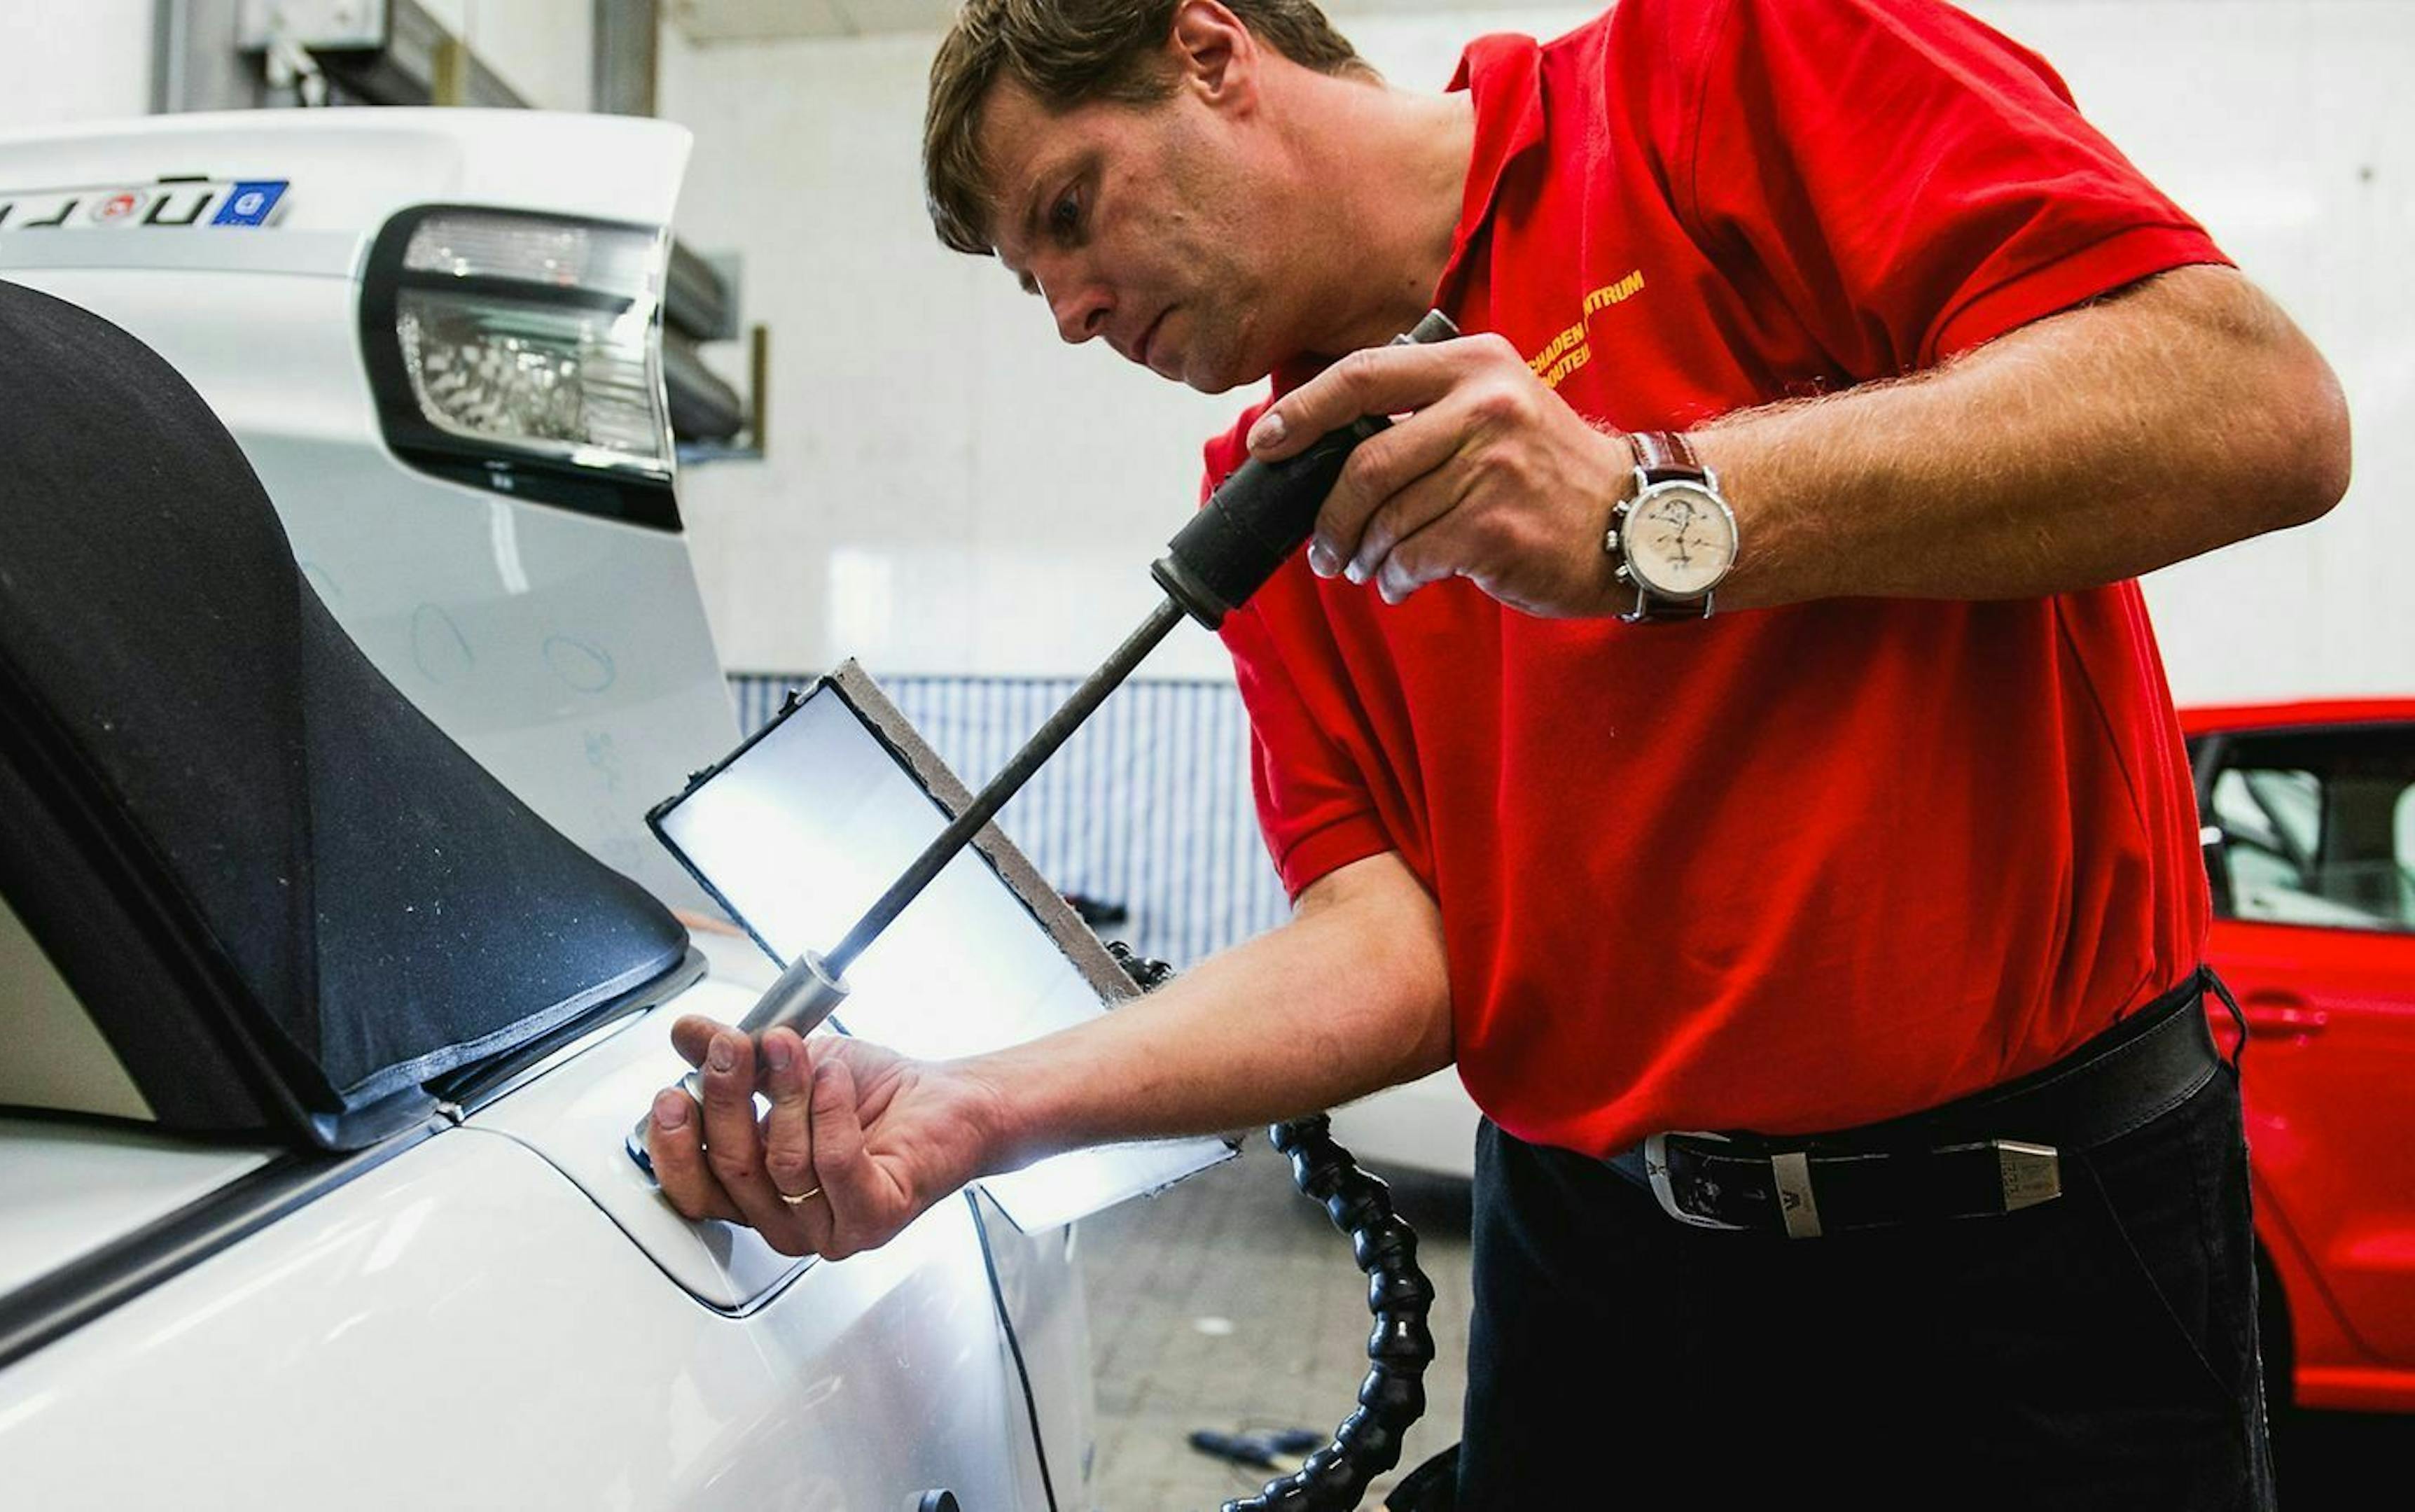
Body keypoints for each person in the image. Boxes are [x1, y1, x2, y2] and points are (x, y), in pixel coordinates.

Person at [643, 1, 2349, 1504]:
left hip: (2031, 1266)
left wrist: (1657, 506)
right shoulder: (1274, 496)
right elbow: (1398, 951)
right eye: (1037, 287)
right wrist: (974, 1110)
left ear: (1210, 50)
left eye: (1071, 212)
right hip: (1606, 1286)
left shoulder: (1726, 70)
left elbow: (2255, 408)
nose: (1075, 314)